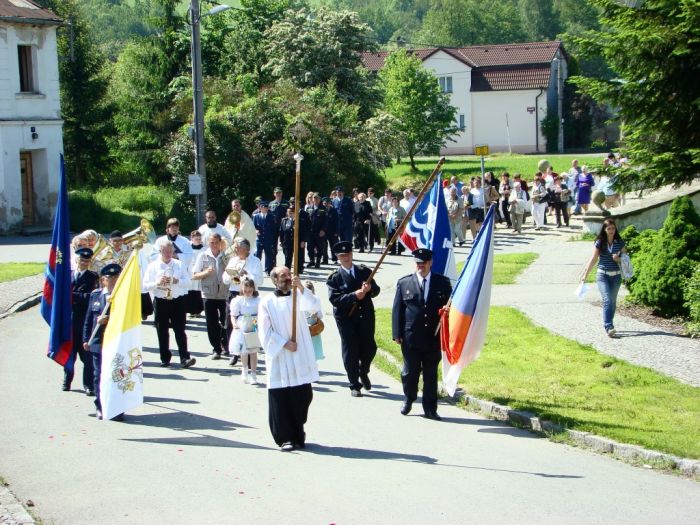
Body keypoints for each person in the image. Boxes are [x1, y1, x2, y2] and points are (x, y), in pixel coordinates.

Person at [258, 266, 320, 451]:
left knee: (303, 395)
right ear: (274, 280)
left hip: (299, 354)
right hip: (281, 355)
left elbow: (314, 307)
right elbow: (264, 331)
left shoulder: (298, 296)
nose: (287, 278)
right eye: (283, 275)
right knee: (282, 397)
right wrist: (284, 343)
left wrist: (300, 287)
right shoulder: (266, 302)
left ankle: (297, 434)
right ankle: (284, 438)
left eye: (289, 274)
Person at [392, 248, 452, 420]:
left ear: (430, 263)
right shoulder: (404, 283)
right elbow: (398, 310)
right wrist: (397, 333)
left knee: (430, 374)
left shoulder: (442, 282)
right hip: (411, 337)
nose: (421, 266)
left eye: (424, 263)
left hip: (433, 337)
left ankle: (430, 408)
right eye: (418, 263)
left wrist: (449, 310)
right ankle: (409, 398)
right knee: (410, 373)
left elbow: (451, 306)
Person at [326, 241, 380, 397]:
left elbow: (376, 290)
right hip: (346, 318)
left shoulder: (364, 271)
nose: (346, 257)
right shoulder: (334, 278)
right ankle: (354, 384)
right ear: (338, 257)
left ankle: (363, 371)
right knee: (351, 351)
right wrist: (354, 296)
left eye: (348, 254)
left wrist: (370, 289)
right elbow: (335, 300)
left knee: (370, 347)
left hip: (365, 315)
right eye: (343, 255)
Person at [143, 241, 197, 369]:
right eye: (165, 251)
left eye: (170, 251)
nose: (167, 254)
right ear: (160, 252)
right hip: (161, 300)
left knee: (180, 330)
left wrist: (177, 281)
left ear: (173, 252)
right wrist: (157, 283)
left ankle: (184, 358)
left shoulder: (179, 264)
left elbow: (189, 282)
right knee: (162, 331)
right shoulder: (153, 266)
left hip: (177, 300)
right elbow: (145, 286)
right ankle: (165, 358)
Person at [82, 263, 123, 421]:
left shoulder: (124, 297)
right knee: (98, 376)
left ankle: (117, 408)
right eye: (109, 278)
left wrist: (110, 319)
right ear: (103, 280)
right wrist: (86, 339)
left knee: (116, 376)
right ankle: (100, 406)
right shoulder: (96, 295)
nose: (112, 281)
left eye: (115, 277)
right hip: (98, 341)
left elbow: (128, 320)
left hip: (117, 342)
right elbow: (88, 320)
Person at [580, 219, 627, 338]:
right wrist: (585, 274)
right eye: (609, 229)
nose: (611, 231)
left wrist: (619, 259)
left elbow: (626, 258)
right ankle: (608, 326)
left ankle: (609, 324)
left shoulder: (620, 242)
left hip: (616, 275)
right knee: (607, 300)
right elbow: (593, 259)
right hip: (602, 275)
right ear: (605, 230)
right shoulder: (600, 242)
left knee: (612, 301)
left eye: (613, 228)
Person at [222, 237, 263, 364]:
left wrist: (247, 274)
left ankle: (250, 353)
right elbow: (225, 279)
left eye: (238, 247)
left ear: (246, 249)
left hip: (249, 294)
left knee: (250, 324)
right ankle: (234, 353)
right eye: (236, 247)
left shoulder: (255, 261)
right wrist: (232, 275)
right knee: (230, 323)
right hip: (234, 293)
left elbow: (259, 280)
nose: (236, 249)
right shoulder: (233, 260)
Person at [64, 247, 98, 394]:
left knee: (87, 356)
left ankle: (88, 385)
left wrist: (71, 295)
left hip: (84, 321)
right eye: (81, 260)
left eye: (86, 261)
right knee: (69, 354)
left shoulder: (93, 277)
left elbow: (89, 297)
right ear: (76, 259)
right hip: (69, 321)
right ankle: (67, 381)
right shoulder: (68, 275)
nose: (83, 263)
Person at [191, 233, 228, 359]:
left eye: (216, 242)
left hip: (223, 293)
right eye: (211, 242)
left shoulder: (226, 256)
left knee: (226, 321)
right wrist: (205, 273)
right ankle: (216, 348)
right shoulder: (203, 255)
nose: (214, 245)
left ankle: (225, 345)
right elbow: (194, 275)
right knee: (211, 323)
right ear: (208, 243)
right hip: (208, 294)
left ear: (220, 242)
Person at [228, 277, 262, 384]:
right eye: (245, 291)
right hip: (242, 323)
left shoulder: (258, 300)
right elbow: (233, 315)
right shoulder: (238, 300)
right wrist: (234, 324)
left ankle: (253, 374)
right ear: (242, 289)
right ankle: (244, 370)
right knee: (243, 351)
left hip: (253, 324)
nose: (247, 293)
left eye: (250, 291)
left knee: (253, 351)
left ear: (253, 289)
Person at [279, 202, 309, 274]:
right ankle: (287, 270)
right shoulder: (284, 221)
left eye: (292, 212)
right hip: (287, 242)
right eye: (289, 212)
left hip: (298, 242)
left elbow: (304, 231)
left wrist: (303, 241)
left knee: (299, 257)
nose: (290, 214)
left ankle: (299, 269)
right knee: (287, 257)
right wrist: (281, 241)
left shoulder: (300, 221)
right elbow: (281, 231)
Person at [253, 201, 278, 275]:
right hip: (259, 239)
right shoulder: (256, 216)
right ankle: (256, 269)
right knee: (257, 255)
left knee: (268, 255)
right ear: (260, 208)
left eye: (266, 207)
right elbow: (253, 227)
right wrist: (256, 231)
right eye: (263, 207)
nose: (264, 209)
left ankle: (268, 270)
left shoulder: (271, 216)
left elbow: (274, 229)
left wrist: (273, 239)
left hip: (268, 239)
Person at [303, 280, 325, 361]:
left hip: (311, 326)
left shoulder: (315, 299)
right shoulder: (300, 299)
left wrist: (316, 315)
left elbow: (320, 315)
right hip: (307, 325)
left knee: (310, 347)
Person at [185, 230, 205, 317]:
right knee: (190, 292)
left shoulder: (204, 249)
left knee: (198, 292)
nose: (198, 240)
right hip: (189, 271)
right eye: (196, 238)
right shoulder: (187, 247)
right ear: (192, 238)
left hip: (199, 272)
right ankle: (190, 310)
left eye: (199, 239)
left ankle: (198, 310)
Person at [306, 193, 327, 268]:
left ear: (320, 199)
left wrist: (323, 230)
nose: (315, 199)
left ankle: (318, 261)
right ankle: (312, 260)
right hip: (310, 231)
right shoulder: (309, 208)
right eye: (314, 198)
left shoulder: (323, 208)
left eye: (317, 198)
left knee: (320, 247)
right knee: (309, 247)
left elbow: (326, 221)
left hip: (319, 231)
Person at [322, 197, 338, 264]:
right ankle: (325, 260)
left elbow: (337, 222)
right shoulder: (321, 210)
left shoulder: (334, 211)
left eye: (327, 203)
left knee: (333, 246)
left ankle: (334, 259)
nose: (326, 204)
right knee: (324, 246)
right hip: (324, 231)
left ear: (330, 203)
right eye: (325, 203)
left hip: (332, 231)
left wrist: (336, 232)